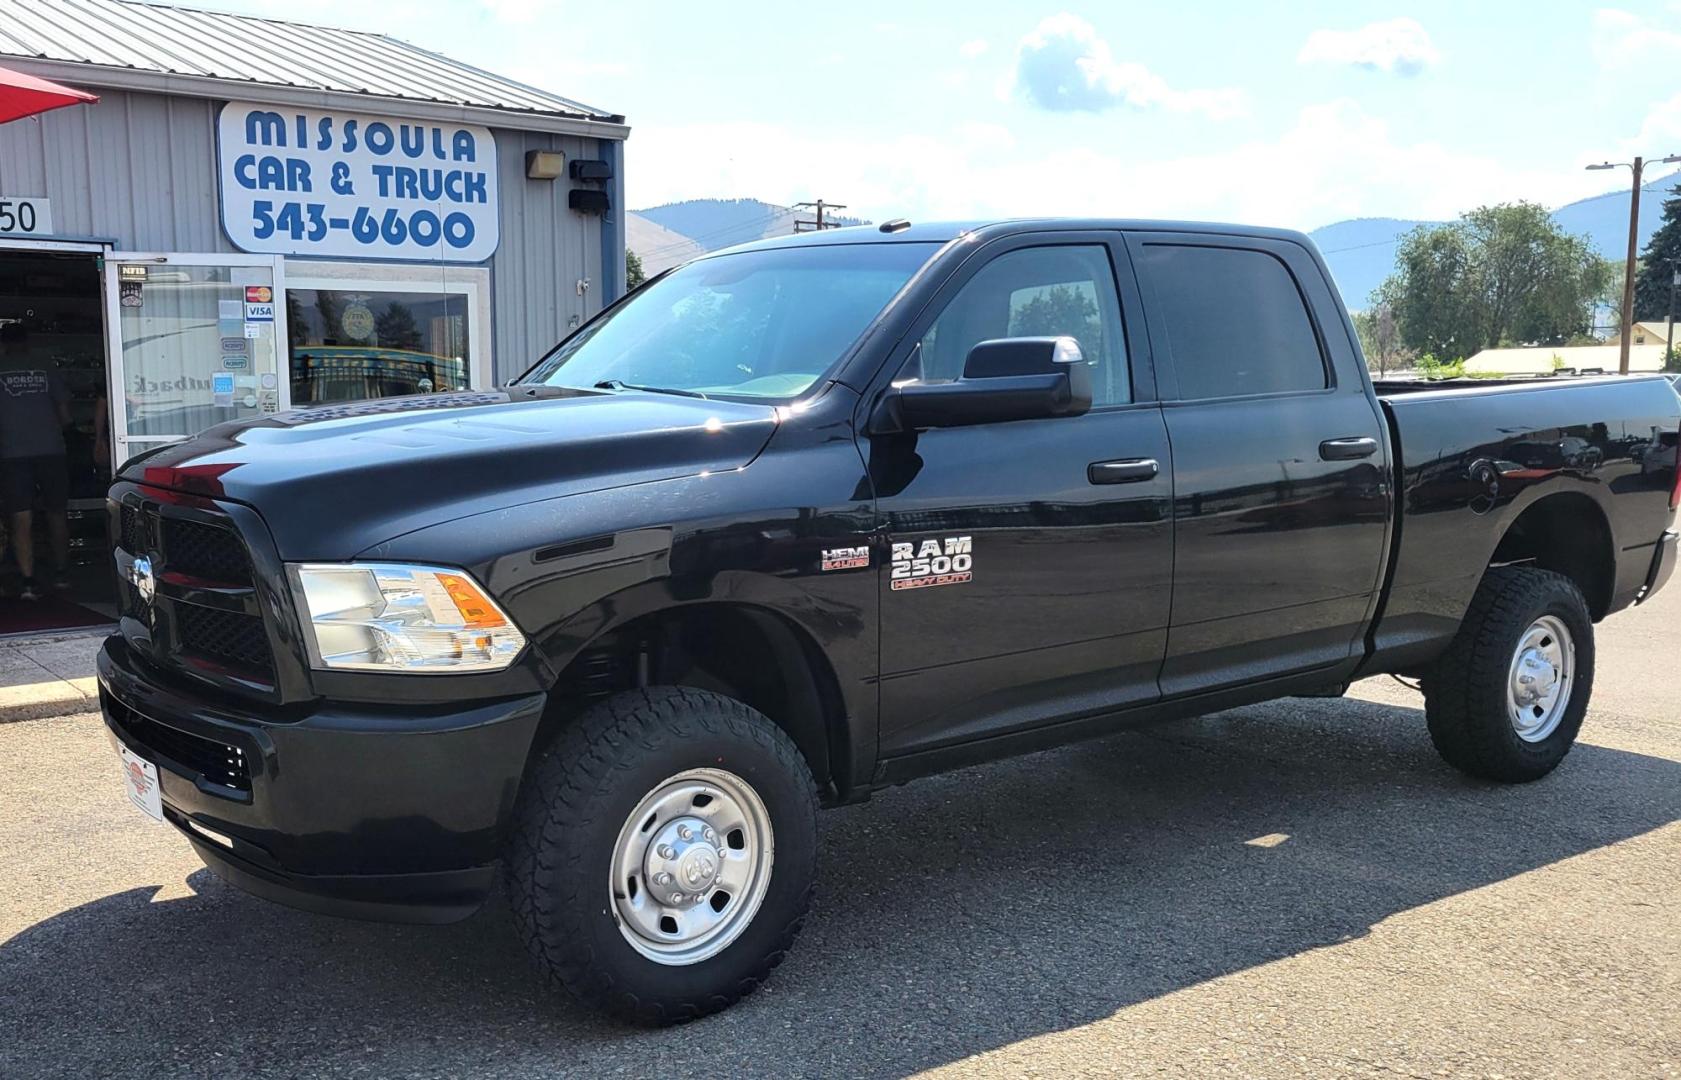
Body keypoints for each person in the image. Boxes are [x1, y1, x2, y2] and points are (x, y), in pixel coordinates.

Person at [0, 323, 72, 600]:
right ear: (27, 341)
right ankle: (61, 573)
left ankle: (28, 580)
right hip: (51, 449)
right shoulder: (45, 364)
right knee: (56, 513)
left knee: (21, 517)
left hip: (11, 453)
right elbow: (65, 412)